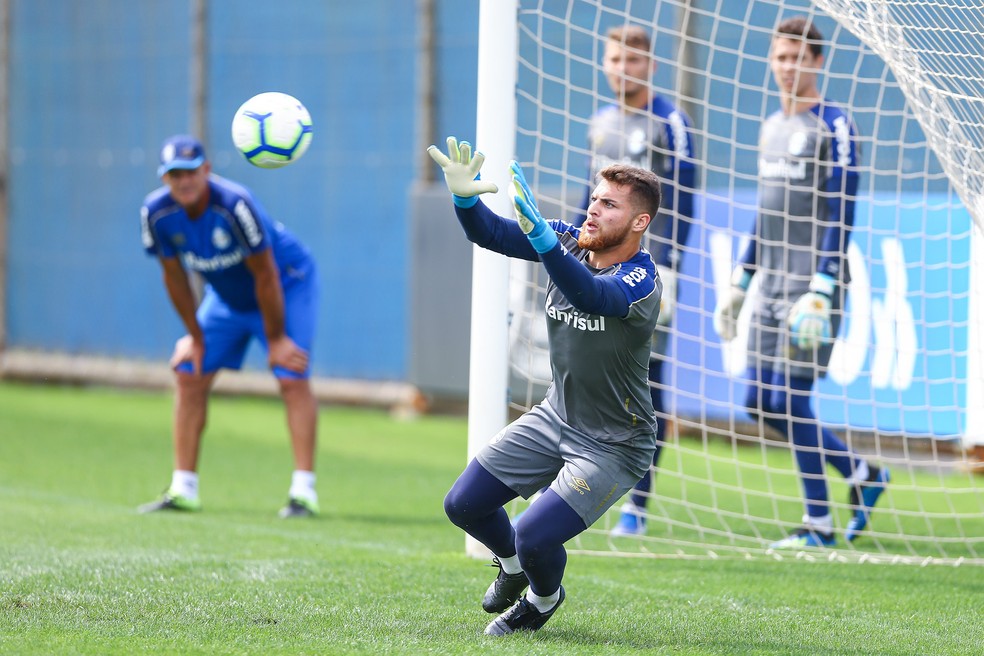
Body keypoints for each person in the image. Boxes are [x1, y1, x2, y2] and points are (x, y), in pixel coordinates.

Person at [428, 136, 662, 635]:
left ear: (639, 222)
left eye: (610, 205)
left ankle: (541, 599)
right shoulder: (566, 239)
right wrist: (465, 199)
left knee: (533, 535)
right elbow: (488, 233)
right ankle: (512, 571)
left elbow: (593, 295)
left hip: (615, 444)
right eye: (595, 198)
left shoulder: (643, 280)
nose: (594, 210)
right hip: (556, 415)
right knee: (463, 504)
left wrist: (546, 245)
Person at [712, 17, 889, 549]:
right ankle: (861, 473)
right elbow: (766, 213)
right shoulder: (770, 126)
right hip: (769, 287)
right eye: (780, 57)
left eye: (798, 58)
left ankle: (818, 522)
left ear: (817, 62)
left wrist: (825, 285)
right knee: (757, 402)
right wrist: (742, 280)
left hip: (813, 289)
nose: (788, 67)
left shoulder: (835, 126)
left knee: (789, 398)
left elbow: (842, 213)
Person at [138, 135, 320, 519]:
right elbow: (173, 277)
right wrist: (195, 336)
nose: (183, 181)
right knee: (189, 372)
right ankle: (183, 489)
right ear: (164, 179)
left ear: (206, 170)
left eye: (190, 172)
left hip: (285, 283)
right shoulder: (156, 213)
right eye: (174, 174)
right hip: (227, 296)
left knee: (290, 373)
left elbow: (266, 274)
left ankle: (303, 493)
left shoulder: (236, 204)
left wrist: (275, 339)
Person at [584, 25, 698, 536]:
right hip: (600, 269)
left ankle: (639, 506)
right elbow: (591, 199)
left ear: (650, 65)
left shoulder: (671, 122)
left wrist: (669, 266)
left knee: (647, 384)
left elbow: (685, 200)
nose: (622, 68)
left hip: (649, 274)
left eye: (632, 59)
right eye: (614, 58)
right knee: (588, 371)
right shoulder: (600, 122)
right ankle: (575, 484)